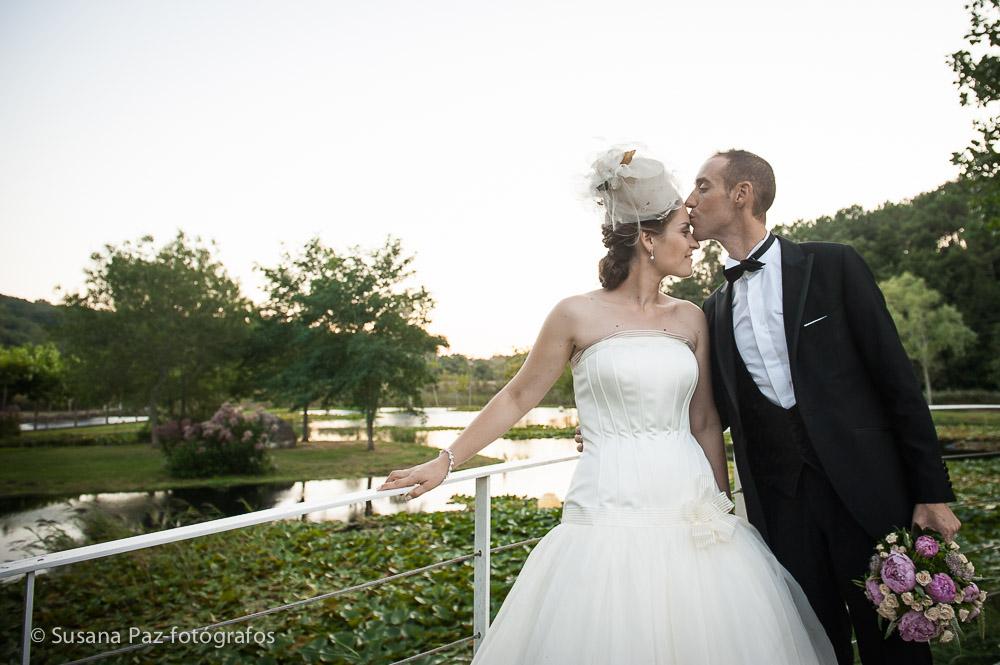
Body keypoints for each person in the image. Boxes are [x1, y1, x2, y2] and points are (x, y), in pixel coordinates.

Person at [378, 148, 837, 664]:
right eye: (684, 231)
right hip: (606, 502)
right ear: (648, 239)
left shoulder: (691, 318)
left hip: (687, 500)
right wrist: (446, 459)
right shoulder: (575, 314)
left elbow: (705, 420)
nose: (694, 242)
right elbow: (518, 395)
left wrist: (722, 504)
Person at [579, 149, 961, 664]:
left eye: (703, 186)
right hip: (781, 511)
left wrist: (931, 493)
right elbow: (703, 410)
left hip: (867, 497)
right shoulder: (712, 311)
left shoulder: (834, 267)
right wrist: (618, 421)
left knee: (896, 652)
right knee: (811, 646)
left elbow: (898, 384)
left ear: (742, 195)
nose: (689, 201)